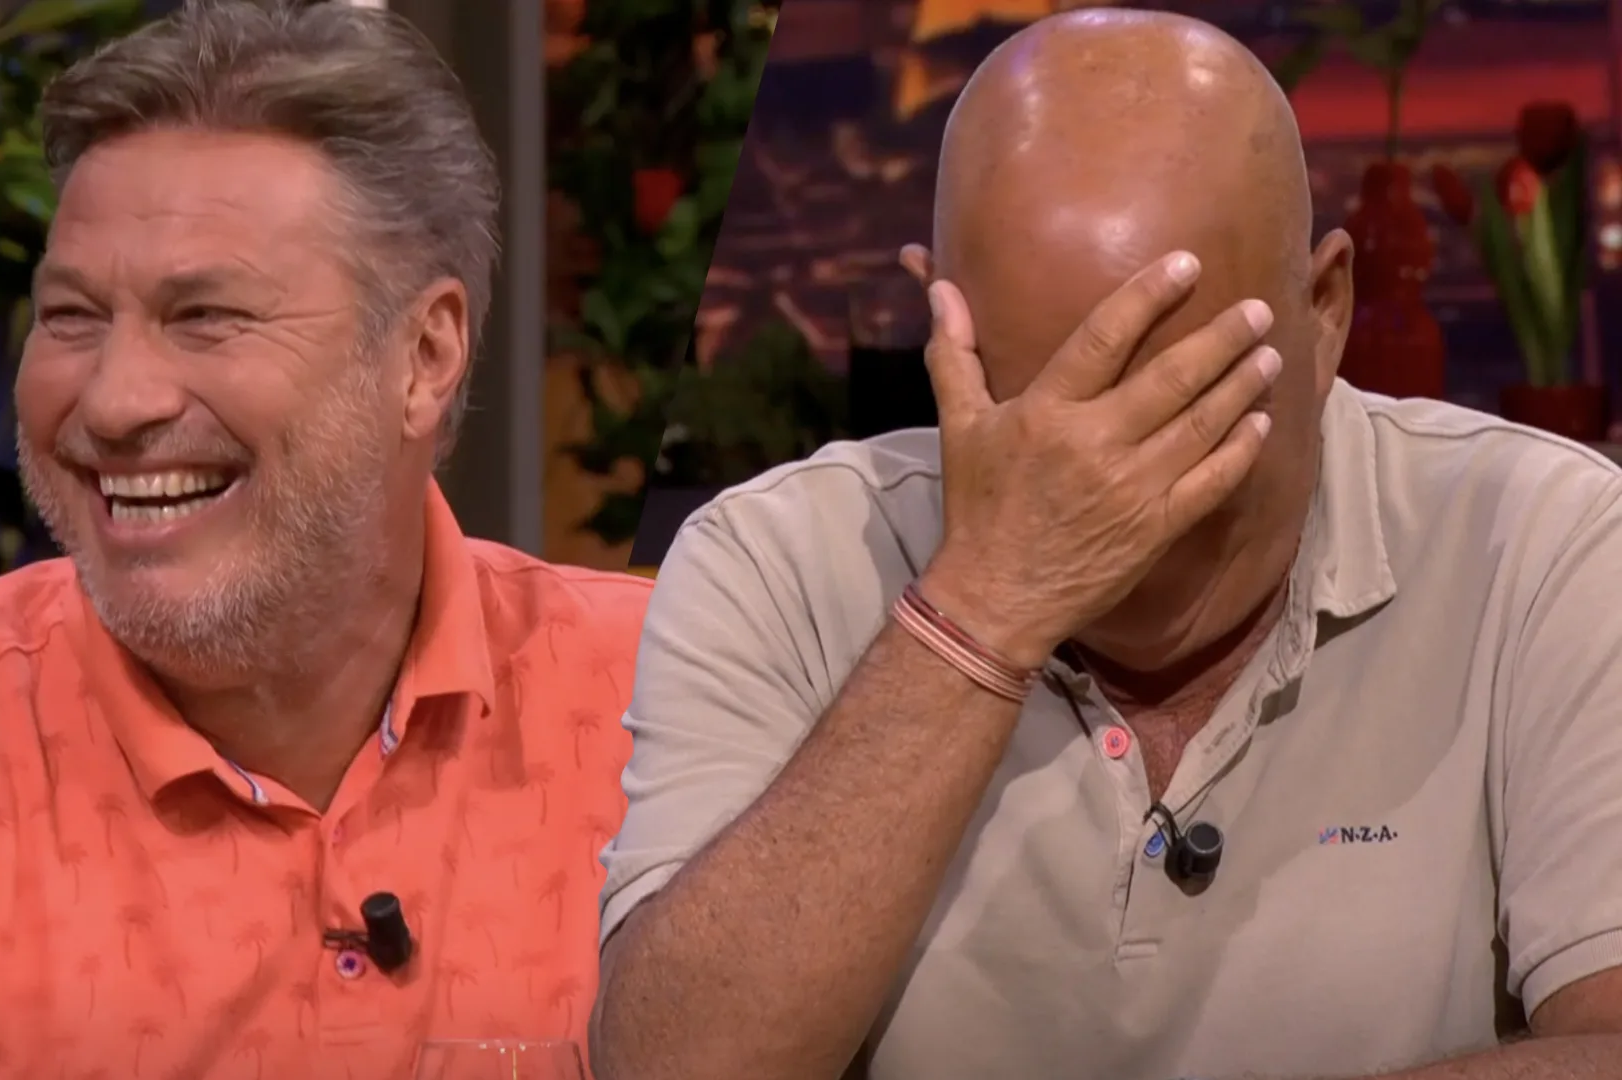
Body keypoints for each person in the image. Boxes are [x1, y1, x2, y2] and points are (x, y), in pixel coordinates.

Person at [592, 10, 1622, 1080]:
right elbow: (674, 1067)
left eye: (1183, 407)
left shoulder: (1546, 545)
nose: (1113, 488)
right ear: (940, 333)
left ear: (1323, 313)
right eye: (1043, 411)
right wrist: (983, 605)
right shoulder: (778, 562)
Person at [0, 2, 648, 1077]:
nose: (114, 402)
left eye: (205, 317)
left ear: (424, 357)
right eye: (71, 317)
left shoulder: (658, 703)